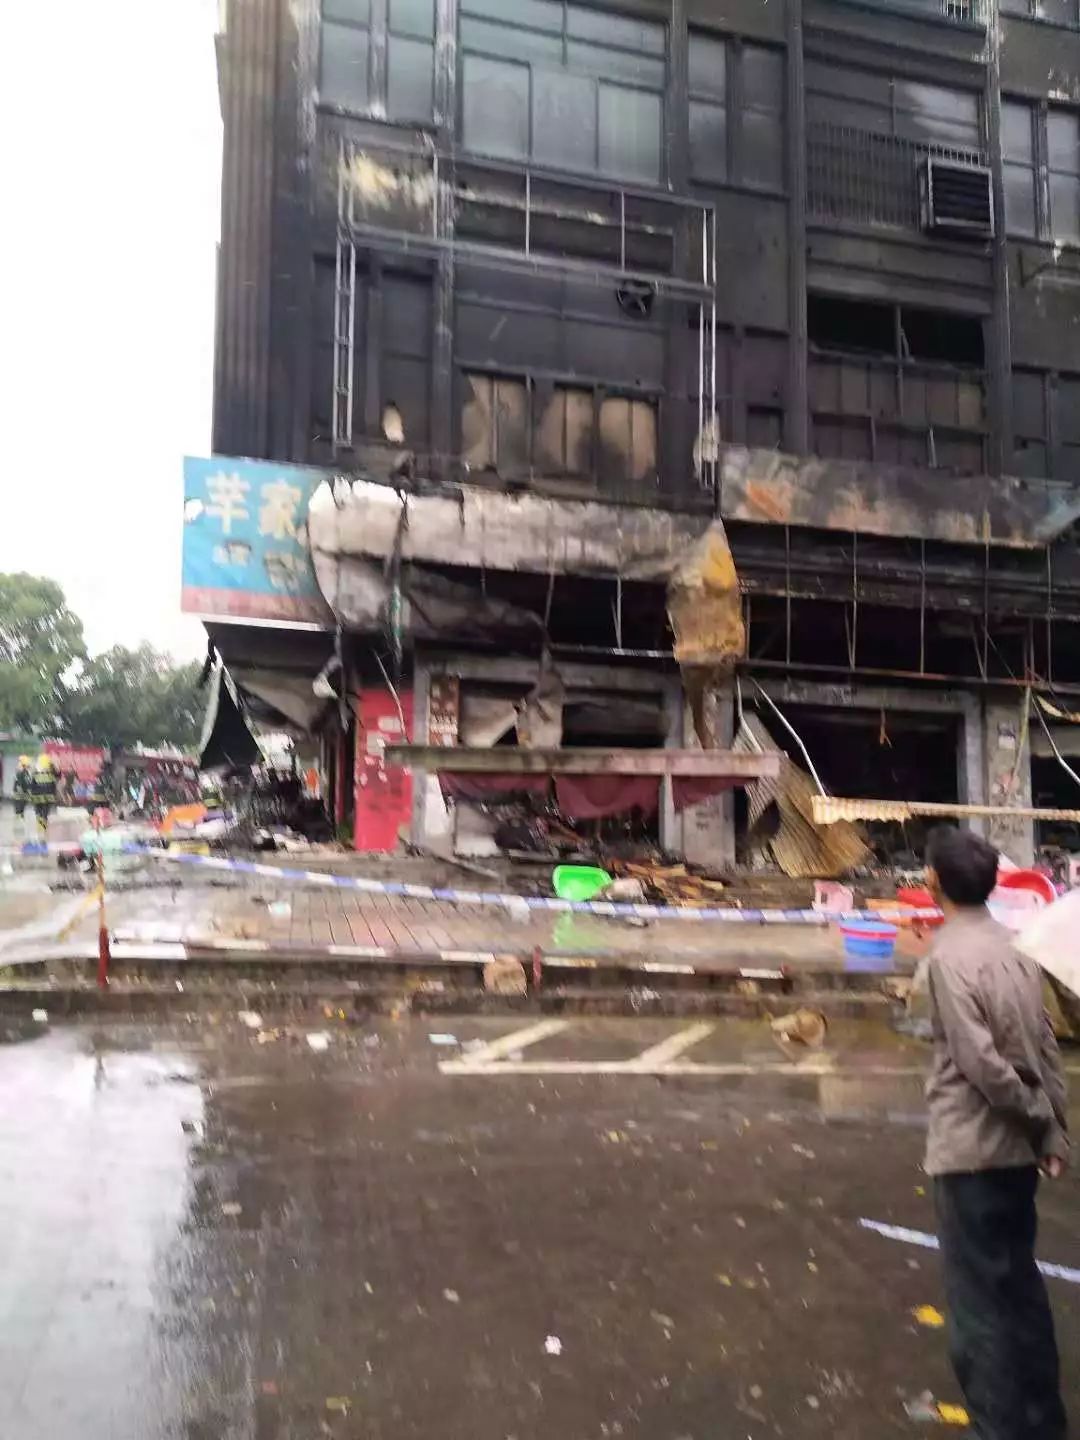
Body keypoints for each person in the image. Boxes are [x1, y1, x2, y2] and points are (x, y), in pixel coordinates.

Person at [923, 824, 1068, 1440]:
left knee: (979, 1310)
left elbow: (980, 1064)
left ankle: (999, 1429)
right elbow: (1045, 1046)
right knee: (1020, 1290)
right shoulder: (1017, 949)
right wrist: (1052, 1131)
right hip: (1017, 1157)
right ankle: (1042, 1423)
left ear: (933, 881)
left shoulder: (948, 959)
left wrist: (1036, 1114)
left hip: (970, 1156)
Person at [29, 753, 60, 842]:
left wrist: (31, 796)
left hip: (37, 797)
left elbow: (32, 785)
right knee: (44, 815)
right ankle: (43, 832)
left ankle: (40, 831)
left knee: (39, 814)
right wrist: (55, 764)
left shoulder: (35, 772)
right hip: (47, 797)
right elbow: (58, 776)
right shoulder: (51, 772)